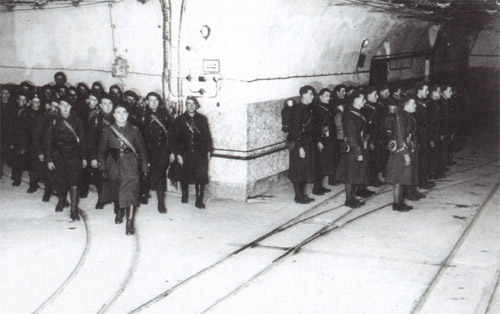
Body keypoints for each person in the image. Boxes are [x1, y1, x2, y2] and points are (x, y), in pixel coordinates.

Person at [98, 104, 148, 234]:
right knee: (116, 189)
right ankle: (119, 210)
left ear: (127, 115)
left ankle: (129, 222)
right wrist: (103, 167)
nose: (121, 115)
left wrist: (144, 168)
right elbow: (102, 151)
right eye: (118, 112)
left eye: (124, 112)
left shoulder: (134, 130)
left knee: (130, 192)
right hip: (113, 164)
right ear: (114, 115)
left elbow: (142, 151)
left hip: (130, 163)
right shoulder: (107, 130)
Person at [44, 97, 88, 221]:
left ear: (71, 107)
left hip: (74, 154)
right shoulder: (53, 120)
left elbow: (83, 139)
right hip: (58, 154)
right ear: (59, 106)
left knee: (74, 182)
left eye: (67, 105)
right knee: (61, 180)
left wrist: (84, 157)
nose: (65, 108)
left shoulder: (77, 119)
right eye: (62, 105)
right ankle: (61, 200)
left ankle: (73, 210)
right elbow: (47, 141)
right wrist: (49, 159)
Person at [173, 96, 213, 208]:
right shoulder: (179, 120)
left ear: (196, 105)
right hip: (185, 152)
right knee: (184, 175)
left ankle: (199, 200)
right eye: (188, 103)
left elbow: (207, 136)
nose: (191, 106)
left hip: (200, 152)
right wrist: (178, 154)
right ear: (186, 105)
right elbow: (175, 139)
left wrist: (209, 150)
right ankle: (184, 194)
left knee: (200, 176)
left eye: (193, 103)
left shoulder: (202, 119)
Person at [335, 90, 370, 208]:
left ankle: (352, 198)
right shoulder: (350, 115)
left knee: (355, 173)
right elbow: (350, 135)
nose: (365, 101)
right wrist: (358, 152)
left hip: (358, 145)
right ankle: (349, 199)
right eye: (362, 99)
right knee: (350, 174)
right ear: (355, 100)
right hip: (353, 148)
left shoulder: (357, 112)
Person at [143, 92, 175, 213]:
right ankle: (144, 194)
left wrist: (172, 152)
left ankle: (161, 203)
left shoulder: (165, 115)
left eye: (156, 100)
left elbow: (171, 135)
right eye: (151, 100)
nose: (153, 103)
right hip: (147, 150)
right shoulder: (142, 114)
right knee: (146, 173)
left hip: (162, 150)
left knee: (160, 175)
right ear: (147, 101)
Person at [385, 97, 418, 212]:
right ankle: (397, 204)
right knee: (398, 177)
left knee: (402, 176)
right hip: (401, 151)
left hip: (407, 148)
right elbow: (399, 136)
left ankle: (399, 202)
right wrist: (405, 154)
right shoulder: (401, 117)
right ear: (406, 105)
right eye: (413, 103)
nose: (415, 105)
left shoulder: (406, 116)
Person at [286, 85, 317, 204]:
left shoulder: (308, 108)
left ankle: (302, 195)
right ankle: (298, 196)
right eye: (310, 94)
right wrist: (300, 147)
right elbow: (295, 129)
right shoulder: (298, 109)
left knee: (304, 169)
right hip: (299, 142)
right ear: (303, 95)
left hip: (307, 141)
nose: (313, 96)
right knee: (298, 169)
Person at [86, 94, 116, 210]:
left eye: (110, 104)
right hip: (101, 153)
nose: (107, 106)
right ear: (100, 105)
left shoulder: (118, 118)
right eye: (104, 104)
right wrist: (93, 157)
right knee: (100, 177)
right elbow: (90, 140)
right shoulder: (95, 119)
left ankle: (115, 199)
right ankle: (102, 198)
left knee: (115, 177)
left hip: (114, 153)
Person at [311, 88, 334, 195]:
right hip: (320, 139)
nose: (328, 98)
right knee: (318, 164)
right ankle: (316, 188)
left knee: (324, 163)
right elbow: (315, 127)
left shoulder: (326, 107)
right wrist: (318, 141)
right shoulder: (317, 109)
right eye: (326, 96)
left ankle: (320, 185)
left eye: (329, 96)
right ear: (320, 96)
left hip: (327, 138)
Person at [415, 82, 435, 190]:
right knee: (421, 158)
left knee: (424, 158)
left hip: (425, 133)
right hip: (420, 134)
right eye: (425, 90)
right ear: (419, 90)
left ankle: (423, 180)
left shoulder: (423, 102)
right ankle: (421, 182)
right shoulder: (416, 104)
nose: (428, 93)